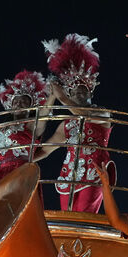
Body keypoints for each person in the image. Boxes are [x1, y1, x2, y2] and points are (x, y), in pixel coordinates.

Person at [41, 34, 113, 213]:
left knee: (84, 216)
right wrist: (22, 160)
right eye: (74, 92)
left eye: (83, 90)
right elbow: (45, 149)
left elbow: (83, 114)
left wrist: (62, 97)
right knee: (67, 217)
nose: (79, 94)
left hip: (94, 173)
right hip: (68, 176)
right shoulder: (67, 124)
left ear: (90, 92)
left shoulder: (102, 112)